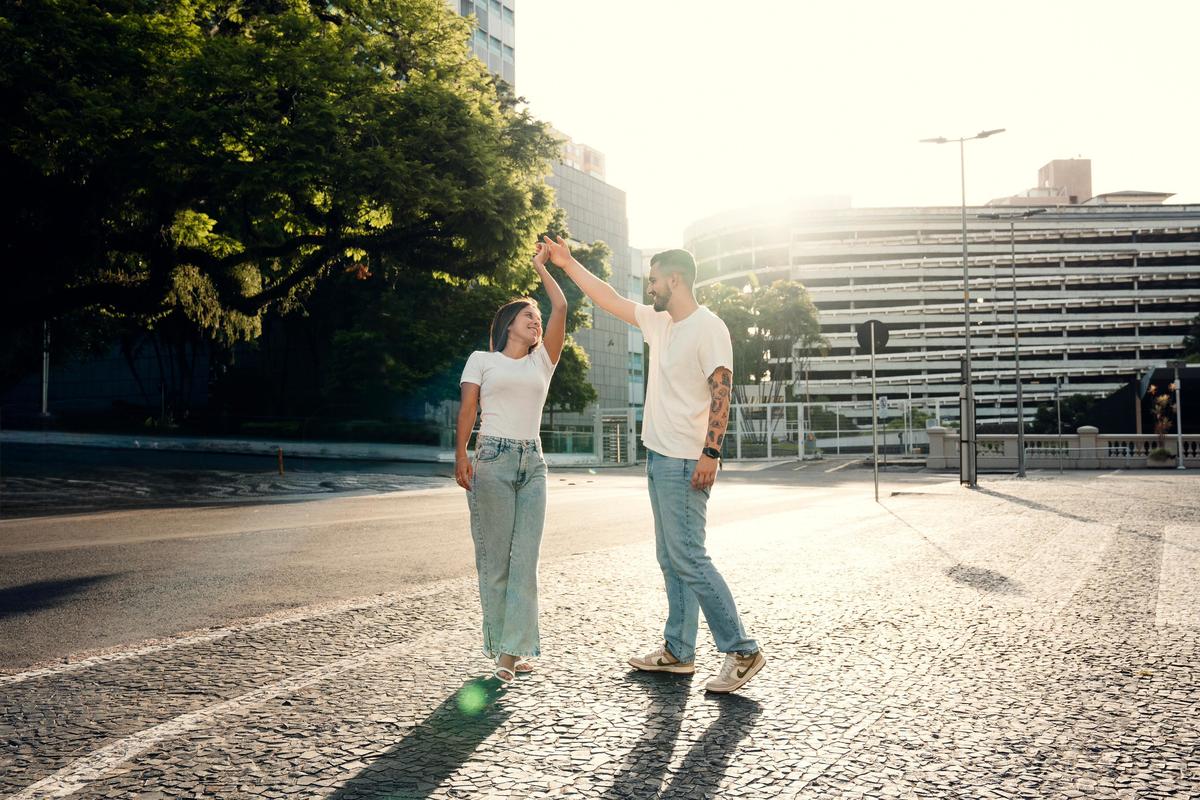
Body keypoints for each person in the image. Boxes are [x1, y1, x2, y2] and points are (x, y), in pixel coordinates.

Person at [542, 236, 765, 693]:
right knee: (671, 557)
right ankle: (679, 652)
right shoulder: (659, 323)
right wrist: (567, 264)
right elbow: (608, 297)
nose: (650, 287)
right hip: (660, 456)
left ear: (675, 279)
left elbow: (722, 390)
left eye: (655, 279)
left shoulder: (709, 327)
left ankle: (743, 650)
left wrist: (711, 453)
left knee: (690, 558)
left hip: (687, 460)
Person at [455, 242, 566, 685]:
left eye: (537, 319)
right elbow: (468, 410)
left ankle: (510, 652)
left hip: (532, 463)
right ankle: (505, 648)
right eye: (528, 316)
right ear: (508, 324)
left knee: (525, 562)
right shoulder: (482, 360)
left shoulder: (544, 361)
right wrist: (461, 453)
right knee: (496, 562)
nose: (536, 321)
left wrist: (542, 266)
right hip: (492, 459)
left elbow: (560, 304)